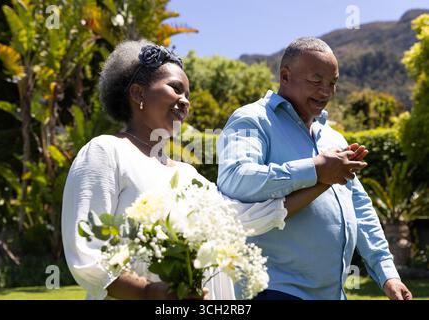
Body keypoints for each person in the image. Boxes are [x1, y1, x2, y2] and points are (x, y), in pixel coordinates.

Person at [61, 39, 368, 300]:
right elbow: (88, 253)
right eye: (175, 88)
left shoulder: (187, 176)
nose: (185, 102)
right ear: (138, 94)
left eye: (188, 95)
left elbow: (248, 218)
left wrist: (325, 178)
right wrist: (150, 292)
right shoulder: (105, 152)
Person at [217, 37, 413, 300]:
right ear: (285, 76)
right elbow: (236, 179)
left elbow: (360, 208)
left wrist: (387, 273)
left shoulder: (334, 138)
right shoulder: (252, 120)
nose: (326, 91)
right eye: (316, 80)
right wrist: (316, 170)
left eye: (332, 83)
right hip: (274, 289)